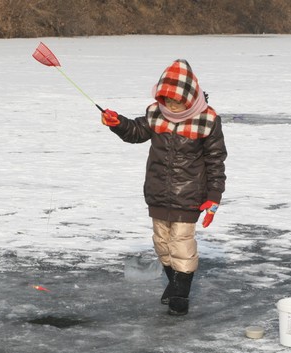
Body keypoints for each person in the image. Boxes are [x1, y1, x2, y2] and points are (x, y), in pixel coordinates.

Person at [101, 59, 227, 316]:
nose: (170, 105)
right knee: (162, 244)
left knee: (180, 243)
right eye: (166, 99)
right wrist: (118, 124)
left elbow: (215, 161)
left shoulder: (207, 120)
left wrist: (214, 196)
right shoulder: (156, 114)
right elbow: (136, 131)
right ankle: (174, 282)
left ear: (189, 98)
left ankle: (180, 294)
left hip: (189, 195)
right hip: (158, 191)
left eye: (176, 100)